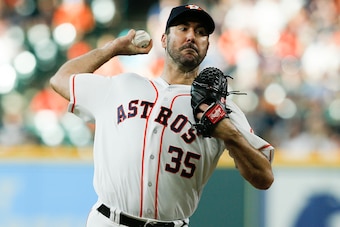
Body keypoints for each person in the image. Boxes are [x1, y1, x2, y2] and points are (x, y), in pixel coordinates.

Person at [50, 4, 274, 227]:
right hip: (108, 220)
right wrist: (112, 49)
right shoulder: (122, 86)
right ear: (164, 40)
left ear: (207, 46)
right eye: (183, 28)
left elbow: (264, 177)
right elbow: (60, 79)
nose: (191, 37)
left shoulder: (221, 109)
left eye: (200, 32)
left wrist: (230, 135)